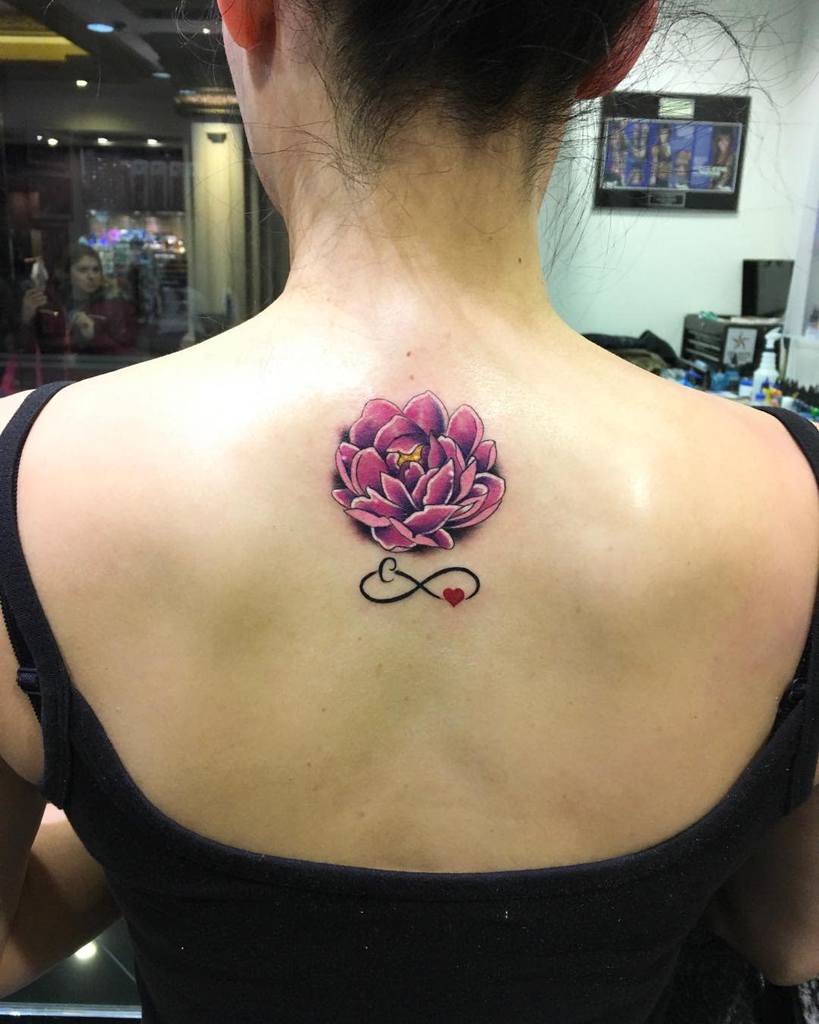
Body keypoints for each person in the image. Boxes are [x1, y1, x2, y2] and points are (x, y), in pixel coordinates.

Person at [0, 2, 817, 1022]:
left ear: (248, 14)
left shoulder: (23, 469)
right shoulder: (792, 494)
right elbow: (794, 931)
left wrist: (139, 829)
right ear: (621, 42)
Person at [17, 243, 138, 358]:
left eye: (96, 270)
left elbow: (128, 355)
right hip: (55, 375)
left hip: (97, 375)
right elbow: (26, 350)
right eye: (83, 270)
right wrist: (26, 318)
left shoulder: (115, 306)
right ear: (67, 274)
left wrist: (94, 336)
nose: (91, 276)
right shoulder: (49, 304)